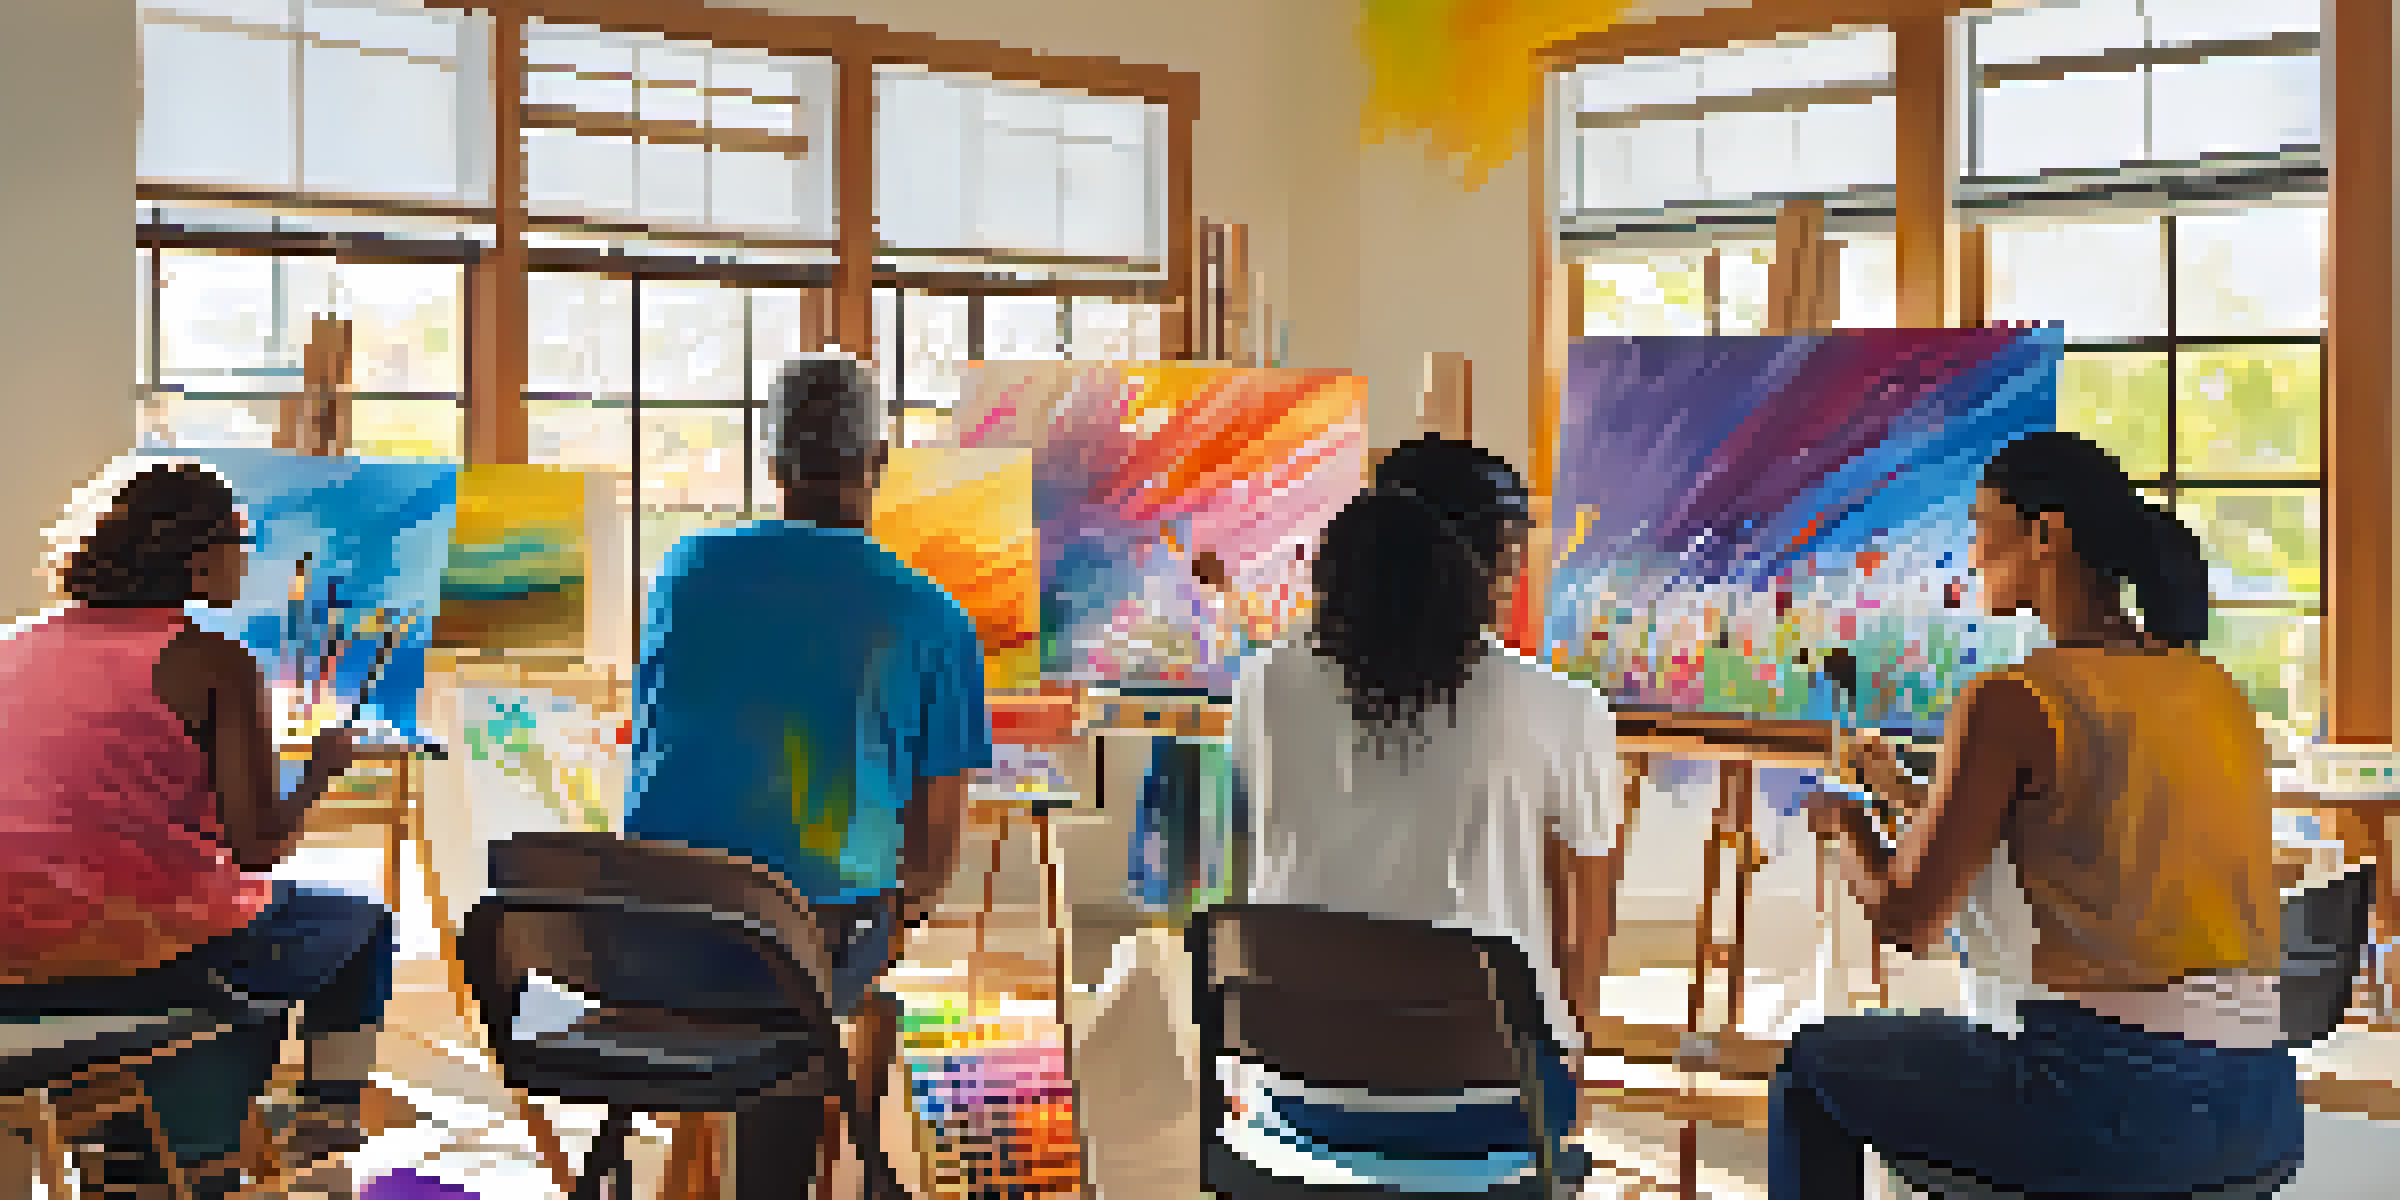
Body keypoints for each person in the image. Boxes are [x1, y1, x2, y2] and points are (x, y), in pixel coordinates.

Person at [1775, 431, 2303, 1198]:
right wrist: (1903, 791)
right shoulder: (2211, 688)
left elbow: (1907, 920)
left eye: (1982, 524)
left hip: (2111, 1103)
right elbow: (2086, 822)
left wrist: (1844, 823)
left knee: (1811, 1065)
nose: (1971, 549)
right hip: (2259, 1110)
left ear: (2045, 534)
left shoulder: (2014, 698)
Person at [624, 356, 989, 1200]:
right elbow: (930, 864)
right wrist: (887, 925)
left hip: (648, 935)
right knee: (798, 970)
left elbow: (657, 747)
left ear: (773, 466)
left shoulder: (683, 574)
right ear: (880, 458)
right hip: (802, 951)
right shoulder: (933, 619)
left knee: (775, 957)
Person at [1223, 435, 1617, 1191]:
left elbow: (1254, 860)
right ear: (1474, 561)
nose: (1517, 575)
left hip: (1294, 1092)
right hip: (1485, 1106)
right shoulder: (1560, 709)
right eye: (1510, 552)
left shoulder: (1261, 687)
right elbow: (1581, 961)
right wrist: (1574, 1050)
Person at [0, 460, 389, 1199]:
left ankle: (150, 1149)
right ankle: (324, 1127)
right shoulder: (208, 660)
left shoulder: (10, 645)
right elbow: (259, 847)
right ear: (195, 554)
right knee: (359, 923)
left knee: (253, 935)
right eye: (239, 540)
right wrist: (321, 769)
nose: (247, 558)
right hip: (135, 945)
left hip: (6, 951)